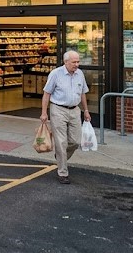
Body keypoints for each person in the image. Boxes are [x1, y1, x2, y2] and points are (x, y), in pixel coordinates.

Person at [41, 50, 91, 184]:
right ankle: (63, 172)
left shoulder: (80, 74)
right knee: (61, 142)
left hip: (75, 110)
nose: (77, 65)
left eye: (78, 62)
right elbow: (46, 93)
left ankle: (60, 155)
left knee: (75, 141)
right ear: (66, 62)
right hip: (58, 110)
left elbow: (83, 93)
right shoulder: (55, 74)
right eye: (74, 62)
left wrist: (86, 110)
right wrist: (44, 112)